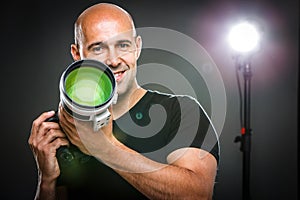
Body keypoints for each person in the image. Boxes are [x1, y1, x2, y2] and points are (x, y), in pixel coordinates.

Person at [28, 2, 220, 200]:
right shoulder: (64, 129)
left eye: (123, 45)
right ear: (77, 55)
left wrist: (105, 148)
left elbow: (198, 195)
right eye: (98, 48)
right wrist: (47, 180)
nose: (113, 60)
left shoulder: (181, 110)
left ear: (137, 48)